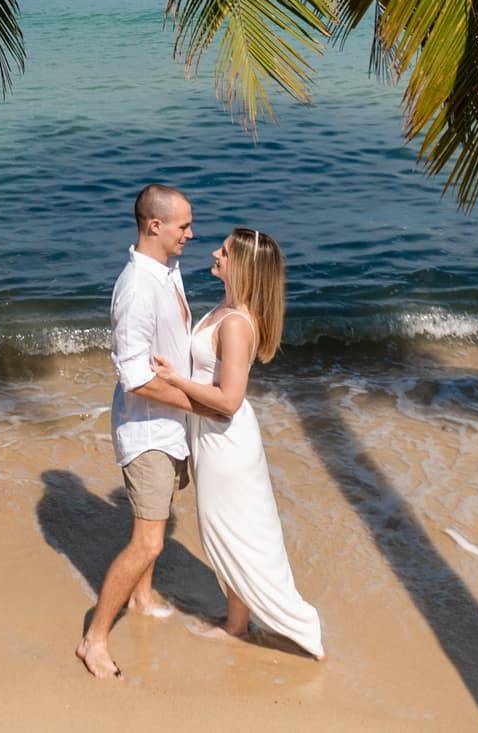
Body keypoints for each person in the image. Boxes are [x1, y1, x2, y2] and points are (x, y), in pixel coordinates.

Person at [149, 226, 325, 659]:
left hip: (226, 443)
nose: (215, 252)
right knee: (227, 533)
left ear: (242, 266)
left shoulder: (236, 324)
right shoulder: (225, 310)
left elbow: (229, 400)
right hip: (212, 438)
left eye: (225, 252)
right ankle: (238, 622)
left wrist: (174, 381)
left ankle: (287, 625)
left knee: (235, 534)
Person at [76, 182, 199, 681]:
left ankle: (142, 598)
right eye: (183, 226)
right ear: (155, 225)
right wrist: (199, 403)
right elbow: (135, 377)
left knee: (157, 521)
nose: (190, 234)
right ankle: (94, 639)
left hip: (170, 426)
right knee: (149, 542)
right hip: (148, 431)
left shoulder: (167, 270)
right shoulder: (137, 287)